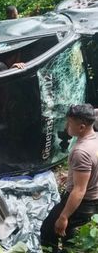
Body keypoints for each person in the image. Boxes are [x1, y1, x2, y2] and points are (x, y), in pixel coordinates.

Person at [40, 104, 98, 252]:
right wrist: (72, 175)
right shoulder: (94, 139)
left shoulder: (81, 152)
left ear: (81, 127)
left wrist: (64, 217)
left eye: (70, 123)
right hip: (93, 199)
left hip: (83, 203)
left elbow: (79, 191)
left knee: (49, 230)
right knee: (69, 233)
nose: (66, 126)